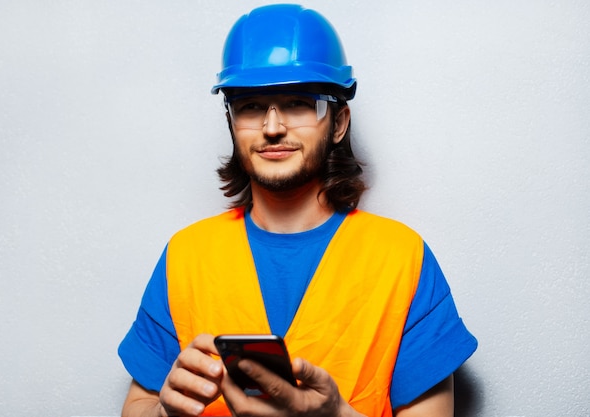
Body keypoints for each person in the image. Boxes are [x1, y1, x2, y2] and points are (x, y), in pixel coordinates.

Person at [118, 4, 477, 417]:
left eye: (298, 103)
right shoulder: (186, 255)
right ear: (232, 121)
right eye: (250, 106)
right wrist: (164, 411)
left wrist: (335, 416)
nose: (272, 127)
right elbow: (138, 406)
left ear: (338, 122)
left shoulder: (402, 258)